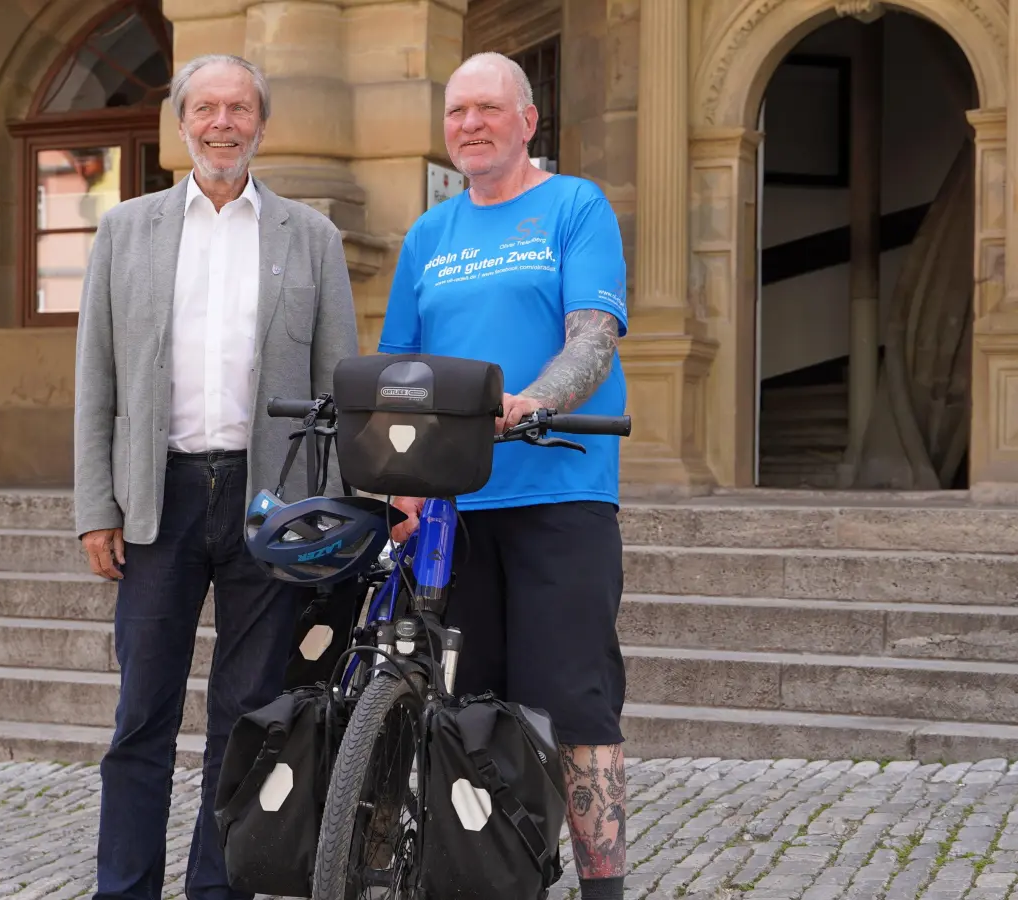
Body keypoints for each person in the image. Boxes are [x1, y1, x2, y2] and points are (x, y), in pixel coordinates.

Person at [72, 54, 359, 900]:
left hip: (267, 503)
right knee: (140, 720)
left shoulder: (310, 236)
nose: (222, 123)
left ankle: (216, 889)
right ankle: (124, 889)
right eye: (206, 108)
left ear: (260, 124)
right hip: (156, 499)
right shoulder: (126, 231)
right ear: (182, 120)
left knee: (244, 716)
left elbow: (338, 387)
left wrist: (328, 511)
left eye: (238, 108)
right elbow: (98, 383)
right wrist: (97, 507)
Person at [377, 51, 632, 900]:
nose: (470, 125)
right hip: (456, 503)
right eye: (456, 112)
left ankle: (602, 888)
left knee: (575, 699)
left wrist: (533, 403)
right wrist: (399, 481)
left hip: (561, 490)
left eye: (488, 108)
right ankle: (491, 872)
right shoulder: (429, 235)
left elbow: (593, 337)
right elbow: (398, 370)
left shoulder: (574, 205)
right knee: (468, 701)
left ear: (528, 121)